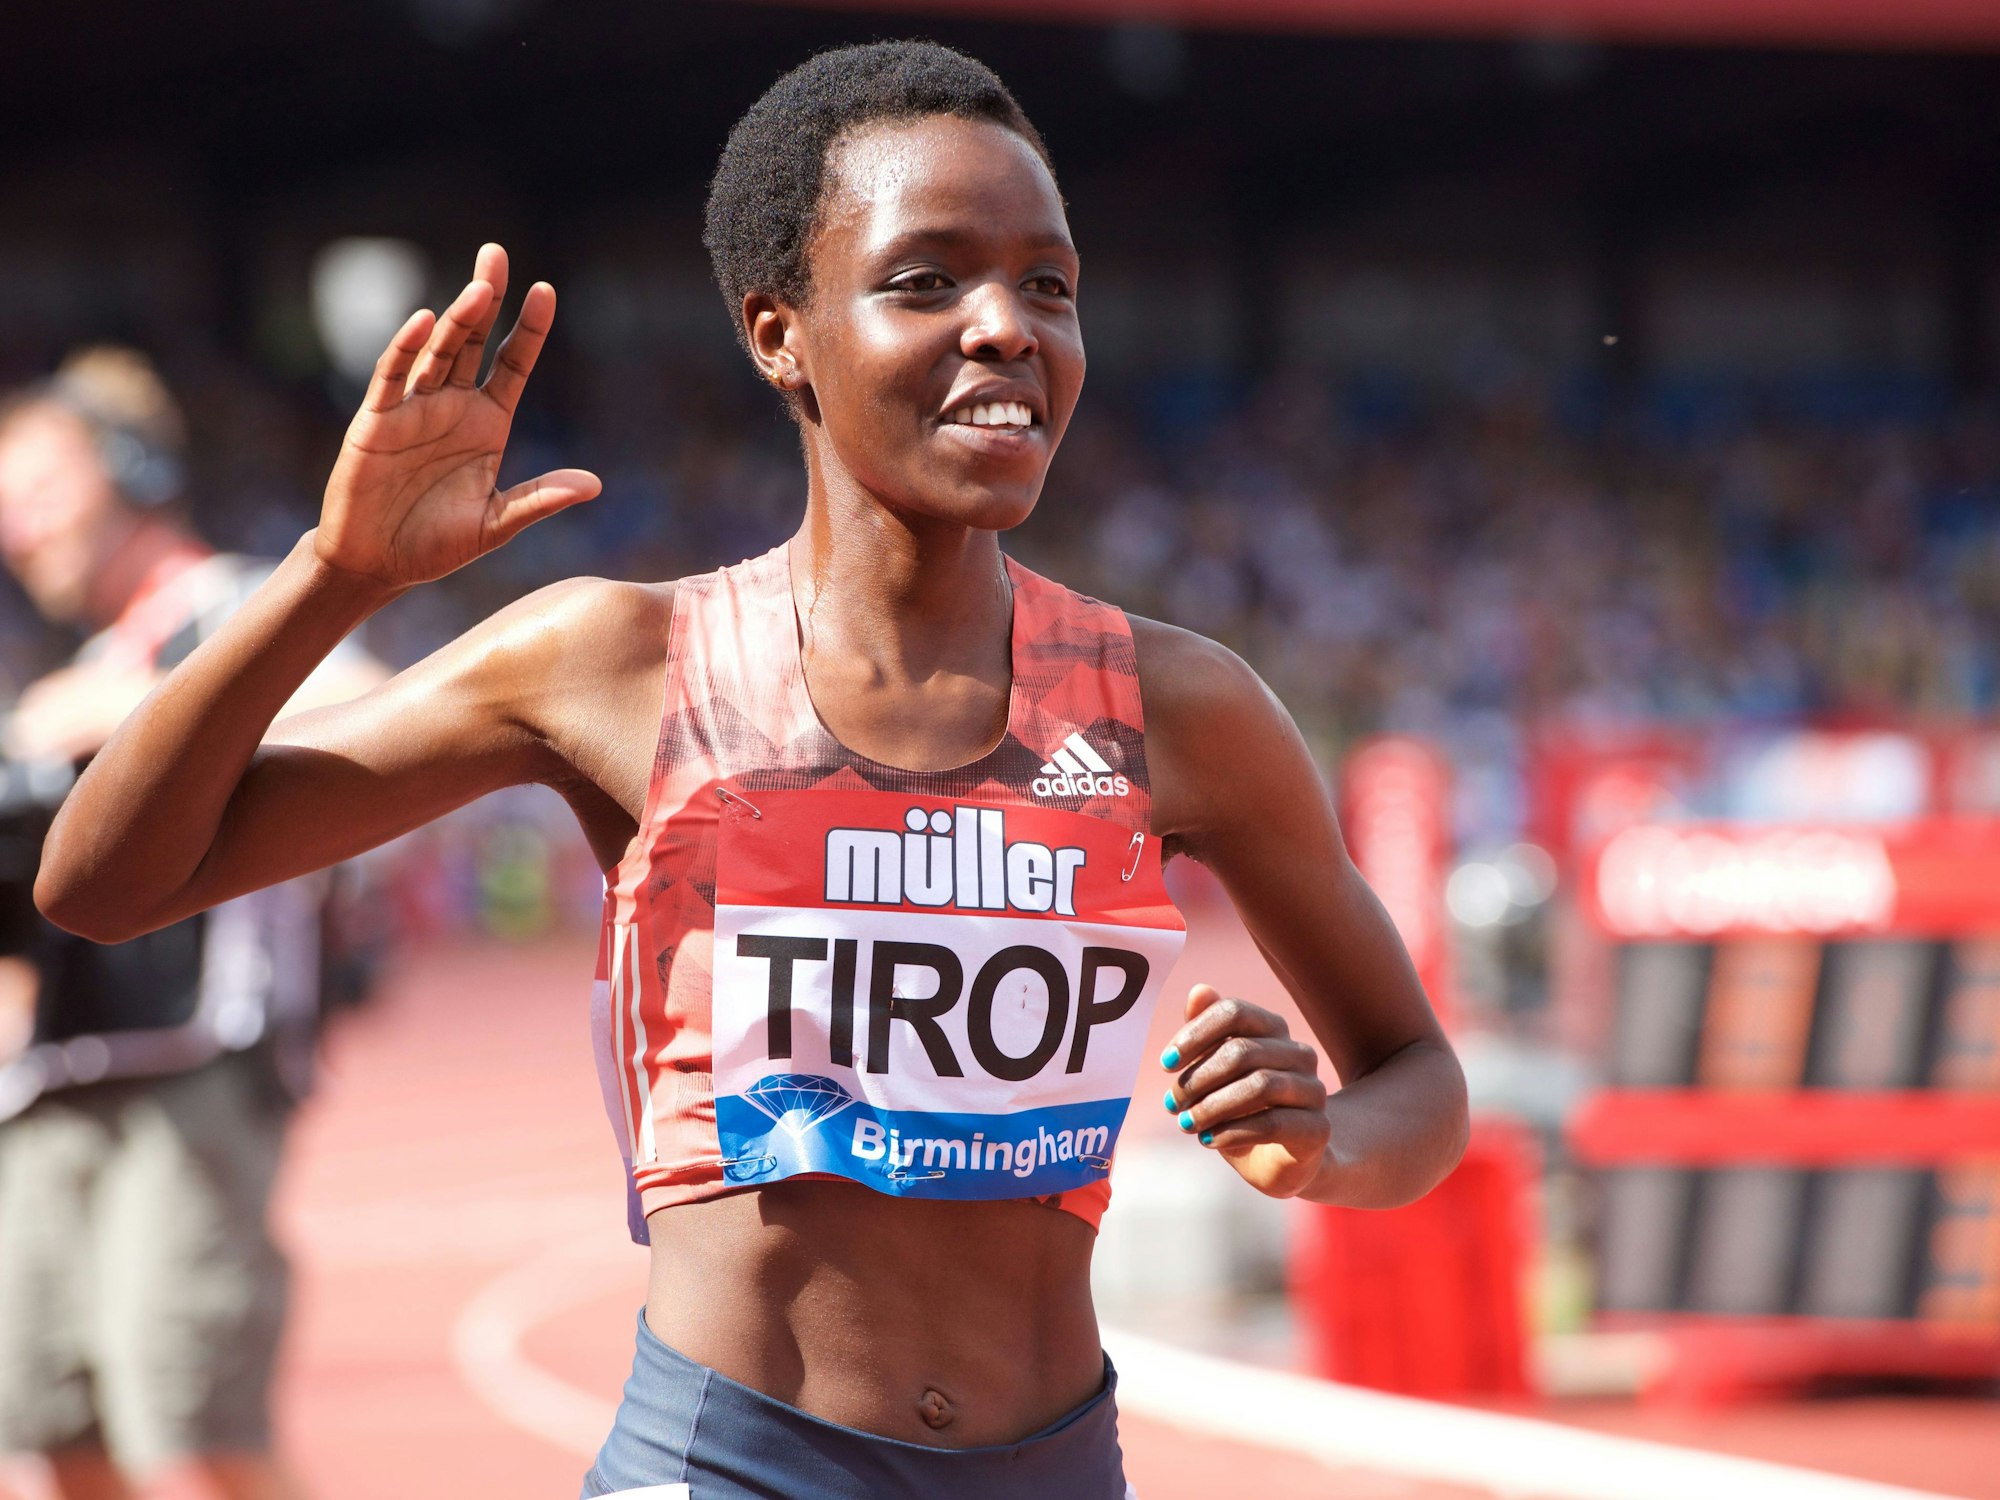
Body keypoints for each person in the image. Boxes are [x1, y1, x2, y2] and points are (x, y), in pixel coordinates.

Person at [34, 43, 1469, 1499]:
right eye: (928, 281)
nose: (1007, 329)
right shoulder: (614, 664)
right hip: (730, 1466)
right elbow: (104, 881)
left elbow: (1420, 1081)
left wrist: (1330, 1145)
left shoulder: (1182, 707)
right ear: (781, 333)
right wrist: (336, 575)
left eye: (1049, 284)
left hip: (1057, 1469)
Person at [0, 349, 383, 1500]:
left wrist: (127, 712)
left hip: (193, 1063)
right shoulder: (63, 670)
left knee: (194, 1421)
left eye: (38, 489)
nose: (16, 530)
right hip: (53, 1075)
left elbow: (364, 693)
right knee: (56, 1424)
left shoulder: (234, 604)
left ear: (132, 472)